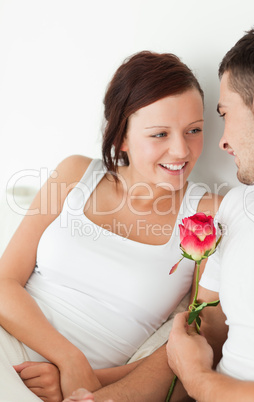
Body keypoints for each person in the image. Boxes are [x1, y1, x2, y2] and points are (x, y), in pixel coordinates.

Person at [0, 50, 221, 401]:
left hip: (86, 388)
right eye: (160, 134)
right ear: (121, 137)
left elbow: (201, 345)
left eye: (194, 130)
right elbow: (4, 283)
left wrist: (89, 380)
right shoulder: (75, 174)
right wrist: (69, 360)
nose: (181, 150)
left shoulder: (208, 215)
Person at [166, 24, 254, 401]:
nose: (221, 141)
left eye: (224, 113)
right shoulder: (237, 205)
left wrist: (195, 377)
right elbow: (212, 330)